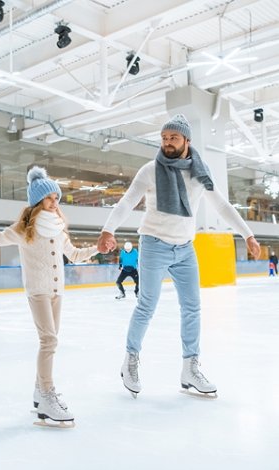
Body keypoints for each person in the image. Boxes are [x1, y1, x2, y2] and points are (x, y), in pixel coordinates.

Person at [97, 114, 261, 399]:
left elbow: (221, 205)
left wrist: (247, 234)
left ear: (187, 140)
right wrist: (107, 230)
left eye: (173, 138)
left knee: (192, 308)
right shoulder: (150, 170)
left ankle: (190, 368)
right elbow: (127, 201)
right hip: (154, 244)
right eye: (163, 138)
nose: (167, 143)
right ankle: (130, 361)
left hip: (185, 248)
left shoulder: (199, 172)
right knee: (147, 306)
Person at [0, 167, 98, 427]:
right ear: (38, 200)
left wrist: (98, 248)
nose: (55, 202)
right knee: (49, 341)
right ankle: (48, 394)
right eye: (50, 197)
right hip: (38, 291)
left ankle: (40, 394)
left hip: (56, 292)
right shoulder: (23, 229)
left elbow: (73, 255)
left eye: (56, 197)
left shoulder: (59, 229)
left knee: (50, 341)